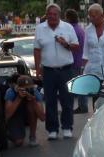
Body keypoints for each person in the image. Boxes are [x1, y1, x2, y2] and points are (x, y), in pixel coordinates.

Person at [33, 3, 79, 140]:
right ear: (46, 15)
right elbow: (36, 49)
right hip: (48, 70)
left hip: (66, 70)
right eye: (50, 14)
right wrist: (37, 69)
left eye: (55, 14)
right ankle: (52, 129)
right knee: (50, 101)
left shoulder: (68, 27)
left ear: (59, 15)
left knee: (67, 100)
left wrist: (66, 44)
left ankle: (67, 127)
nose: (52, 16)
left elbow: (76, 46)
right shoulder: (40, 28)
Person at [4, 75, 45, 147]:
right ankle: (8, 133)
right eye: (23, 89)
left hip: (28, 114)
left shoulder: (34, 91)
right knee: (18, 142)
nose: (26, 91)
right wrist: (18, 98)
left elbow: (42, 117)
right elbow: (7, 115)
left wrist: (33, 100)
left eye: (28, 88)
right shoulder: (10, 92)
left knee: (31, 107)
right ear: (18, 88)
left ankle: (32, 137)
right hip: (15, 115)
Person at [65, 9, 88, 114]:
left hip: (74, 61)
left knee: (75, 85)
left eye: (66, 18)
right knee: (80, 84)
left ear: (68, 18)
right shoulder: (79, 29)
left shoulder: (72, 30)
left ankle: (82, 106)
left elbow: (72, 47)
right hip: (79, 60)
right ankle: (83, 106)